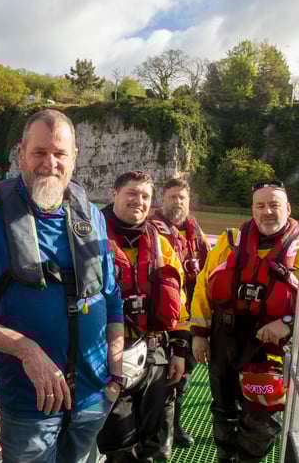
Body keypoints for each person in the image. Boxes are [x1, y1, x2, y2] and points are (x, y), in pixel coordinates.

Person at [0, 109, 124, 463]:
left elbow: (111, 297)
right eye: (39, 152)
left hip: (93, 400)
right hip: (31, 406)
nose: (49, 163)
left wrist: (115, 371)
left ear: (75, 157)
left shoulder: (95, 217)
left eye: (59, 154)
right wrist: (26, 349)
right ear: (21, 153)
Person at [191, 180, 299, 463]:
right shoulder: (229, 242)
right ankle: (225, 458)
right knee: (224, 408)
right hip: (224, 335)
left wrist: (288, 322)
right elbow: (204, 285)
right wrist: (200, 334)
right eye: (260, 205)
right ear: (252, 209)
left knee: (261, 417)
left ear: (287, 208)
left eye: (274, 205)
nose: (267, 212)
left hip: (270, 344)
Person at [97, 171, 190, 463]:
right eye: (132, 194)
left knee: (153, 443)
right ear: (114, 194)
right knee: (120, 446)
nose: (139, 201)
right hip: (108, 357)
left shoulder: (162, 243)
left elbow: (180, 300)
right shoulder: (90, 237)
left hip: (155, 354)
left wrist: (179, 350)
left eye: (145, 197)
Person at [149, 177, 211, 457]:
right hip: (164, 316)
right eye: (172, 197)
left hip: (189, 315)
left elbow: (209, 271)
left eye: (182, 198)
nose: (178, 202)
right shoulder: (151, 229)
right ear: (163, 200)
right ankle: (158, 438)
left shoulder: (194, 231)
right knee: (162, 380)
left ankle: (173, 429)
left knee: (181, 377)